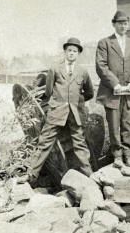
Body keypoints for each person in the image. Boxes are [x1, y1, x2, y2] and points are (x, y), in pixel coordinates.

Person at [20, 37, 94, 184]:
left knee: (80, 144)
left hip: (74, 114)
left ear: (78, 54)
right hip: (56, 112)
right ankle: (30, 175)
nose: (72, 53)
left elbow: (89, 93)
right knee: (44, 142)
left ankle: (90, 176)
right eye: (69, 51)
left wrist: (76, 102)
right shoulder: (55, 68)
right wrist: (60, 103)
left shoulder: (83, 71)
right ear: (65, 52)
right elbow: (48, 91)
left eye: (75, 51)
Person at [96, 11, 130, 168]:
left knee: (128, 124)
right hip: (112, 93)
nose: (123, 26)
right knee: (114, 125)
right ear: (113, 24)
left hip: (129, 93)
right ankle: (117, 156)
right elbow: (101, 66)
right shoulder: (104, 43)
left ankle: (128, 156)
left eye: (125, 23)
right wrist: (115, 83)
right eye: (120, 23)